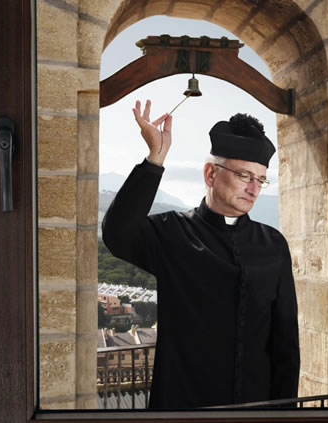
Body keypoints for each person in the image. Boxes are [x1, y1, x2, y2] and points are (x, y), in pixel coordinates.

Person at [102, 100, 300, 409]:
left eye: (260, 179)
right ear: (210, 174)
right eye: (244, 176)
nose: (254, 189)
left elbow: (285, 342)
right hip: (184, 409)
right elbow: (117, 235)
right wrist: (155, 159)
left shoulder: (273, 244)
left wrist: (285, 416)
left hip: (256, 412)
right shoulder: (172, 232)